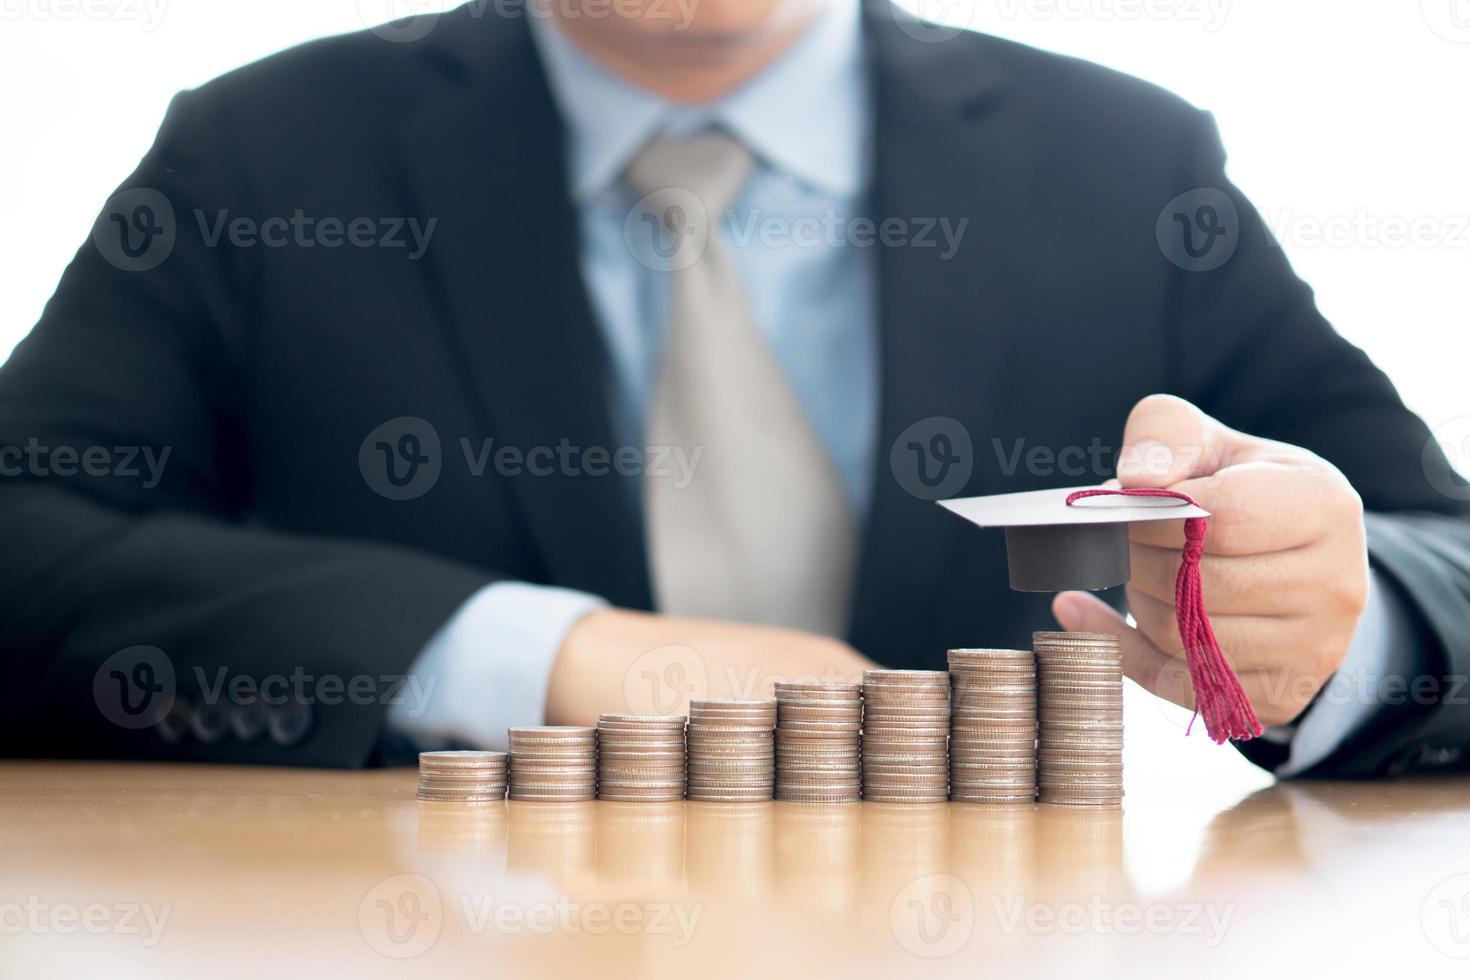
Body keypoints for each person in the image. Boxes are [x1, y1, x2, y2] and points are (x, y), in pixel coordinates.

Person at [2, 0, 1466, 777]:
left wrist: (1332, 626)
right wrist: (542, 661)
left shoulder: (1120, 162)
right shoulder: (262, 156)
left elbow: (1438, 559)